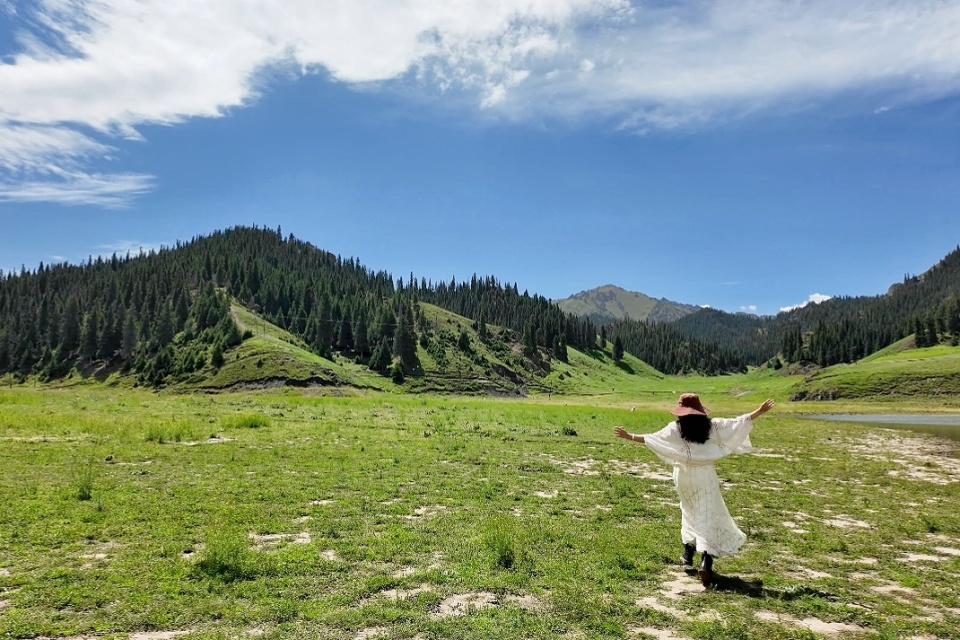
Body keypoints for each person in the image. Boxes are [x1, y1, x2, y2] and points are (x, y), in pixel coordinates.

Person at [613, 394, 775, 587]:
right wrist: (760, 411)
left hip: (683, 476)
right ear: (701, 411)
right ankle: (706, 561)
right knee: (708, 513)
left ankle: (688, 553)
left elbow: (653, 438)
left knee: (688, 509)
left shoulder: (676, 428)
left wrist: (629, 435)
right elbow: (737, 423)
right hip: (705, 475)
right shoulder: (712, 426)